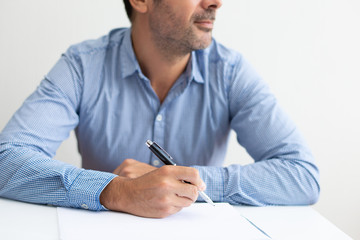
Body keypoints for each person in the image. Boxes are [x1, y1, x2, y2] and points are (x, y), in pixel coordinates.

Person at [0, 0, 320, 218]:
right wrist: (116, 191)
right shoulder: (83, 66)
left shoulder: (231, 72)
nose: (216, 1)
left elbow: (302, 175)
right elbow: (7, 158)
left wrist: (186, 182)